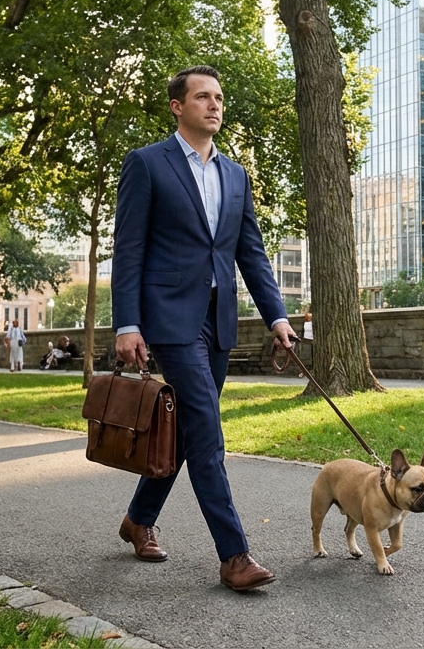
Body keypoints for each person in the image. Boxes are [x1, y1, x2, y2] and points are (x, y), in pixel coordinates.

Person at [112, 65, 297, 592]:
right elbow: (129, 251)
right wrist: (127, 323)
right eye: (202, 97)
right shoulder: (148, 164)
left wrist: (277, 316)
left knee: (189, 435)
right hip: (168, 320)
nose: (214, 105)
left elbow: (250, 253)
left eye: (219, 97)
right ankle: (234, 556)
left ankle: (137, 520)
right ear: (177, 106)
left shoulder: (236, 175)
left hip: (218, 322)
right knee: (208, 432)